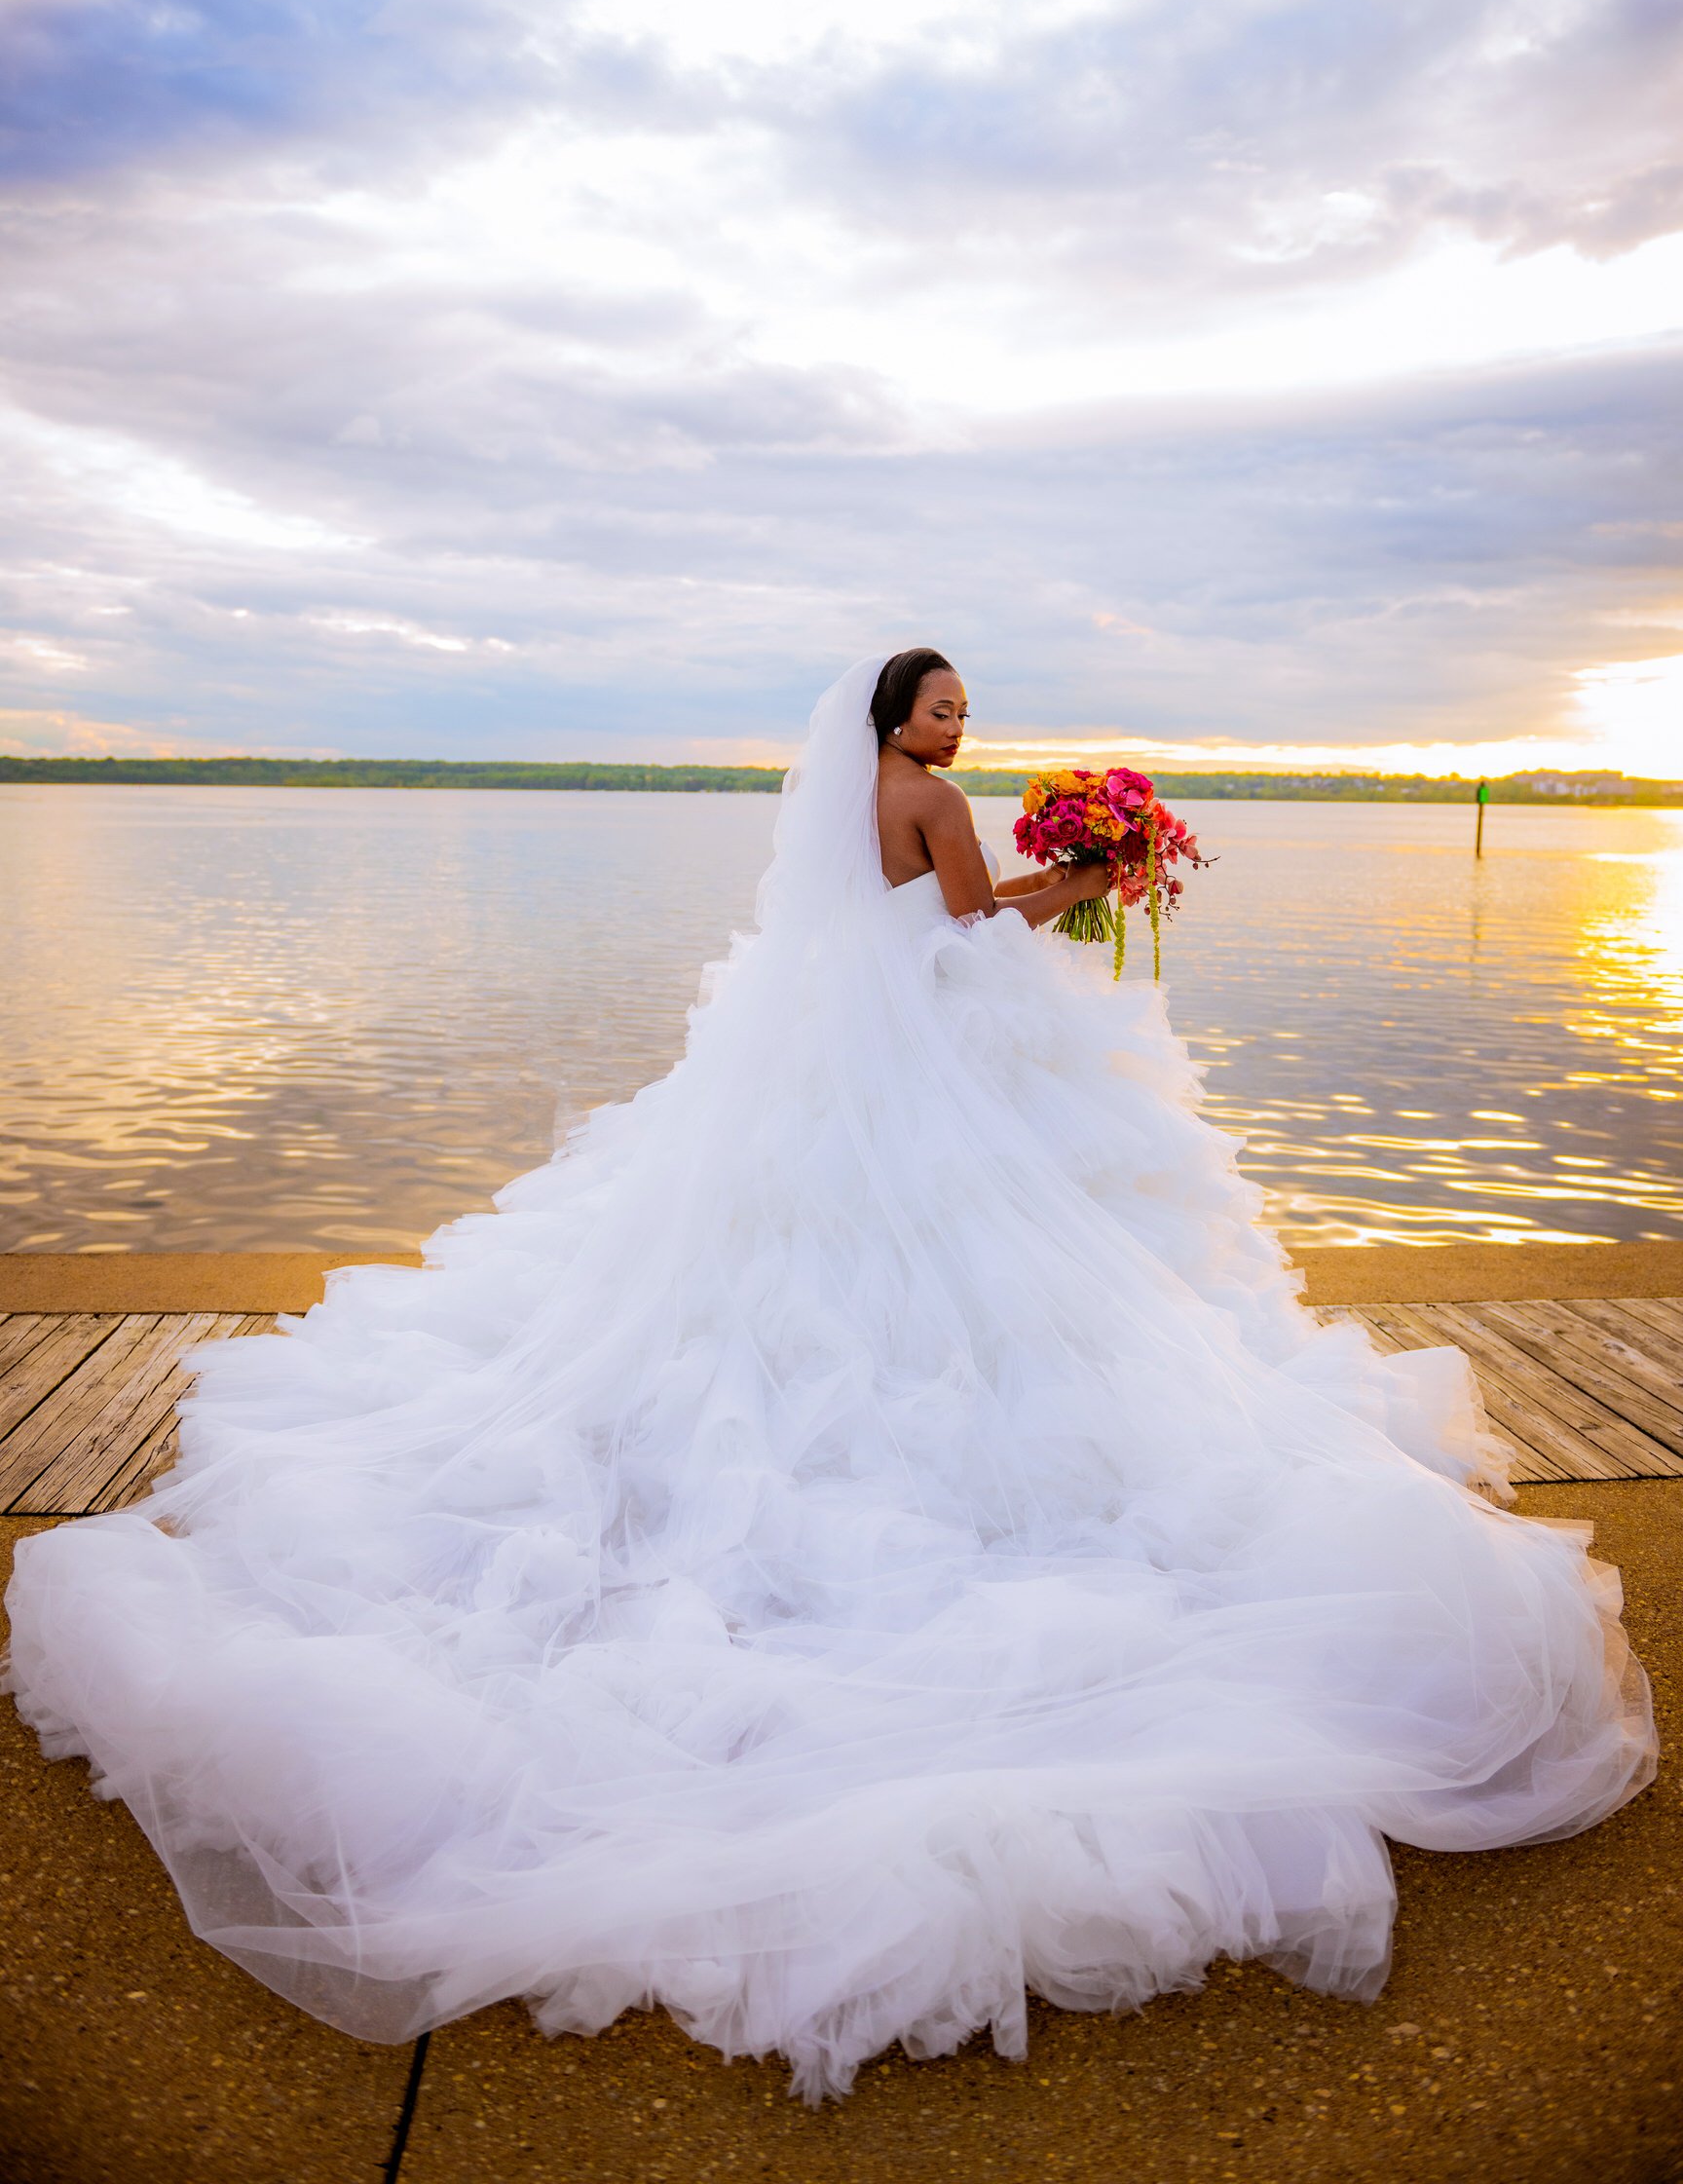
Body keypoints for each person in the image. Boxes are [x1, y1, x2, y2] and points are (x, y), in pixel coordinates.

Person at [5, 650, 1656, 2103]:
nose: (954, 725)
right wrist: (1079, 875)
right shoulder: (928, 802)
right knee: (982, 1261)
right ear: (894, 718)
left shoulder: (848, 800)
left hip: (853, 1047)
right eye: (939, 706)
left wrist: (1074, 863)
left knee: (824, 1265)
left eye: (959, 710)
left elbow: (884, 930)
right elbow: (960, 918)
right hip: (924, 1045)